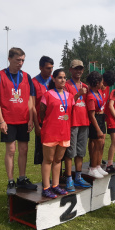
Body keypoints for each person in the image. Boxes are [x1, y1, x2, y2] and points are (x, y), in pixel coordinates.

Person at [0, 47, 37, 195]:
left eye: (23, 60)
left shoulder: (26, 76)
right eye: (18, 60)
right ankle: (11, 180)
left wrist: (31, 118)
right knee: (11, 150)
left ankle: (22, 178)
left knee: (24, 150)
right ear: (9, 59)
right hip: (8, 120)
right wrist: (1, 120)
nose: (21, 63)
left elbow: (31, 100)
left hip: (24, 120)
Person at [40, 69, 75, 198]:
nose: (63, 80)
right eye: (60, 77)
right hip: (50, 132)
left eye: (64, 77)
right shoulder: (47, 95)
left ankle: (55, 185)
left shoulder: (70, 96)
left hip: (64, 132)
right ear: (53, 79)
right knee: (48, 160)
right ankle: (46, 187)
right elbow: (42, 113)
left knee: (58, 160)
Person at [64, 60, 91, 191]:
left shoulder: (85, 85)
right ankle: (69, 178)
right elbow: (67, 103)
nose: (78, 71)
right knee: (70, 152)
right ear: (70, 70)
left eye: (80, 69)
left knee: (80, 152)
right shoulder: (67, 85)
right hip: (72, 123)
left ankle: (78, 177)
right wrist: (78, 94)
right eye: (76, 69)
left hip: (84, 122)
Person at [86, 71, 108, 179]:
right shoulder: (90, 96)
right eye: (101, 81)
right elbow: (91, 115)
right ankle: (92, 168)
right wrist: (98, 129)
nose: (102, 83)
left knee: (101, 144)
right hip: (95, 121)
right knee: (96, 145)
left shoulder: (98, 92)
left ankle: (98, 165)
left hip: (101, 118)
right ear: (96, 82)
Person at [32, 56, 54, 165]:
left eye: (52, 68)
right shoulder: (34, 82)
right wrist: (37, 126)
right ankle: (45, 180)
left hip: (55, 122)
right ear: (40, 67)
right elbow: (32, 106)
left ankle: (58, 177)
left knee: (57, 152)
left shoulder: (55, 80)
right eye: (48, 68)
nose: (50, 71)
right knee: (43, 153)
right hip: (42, 123)